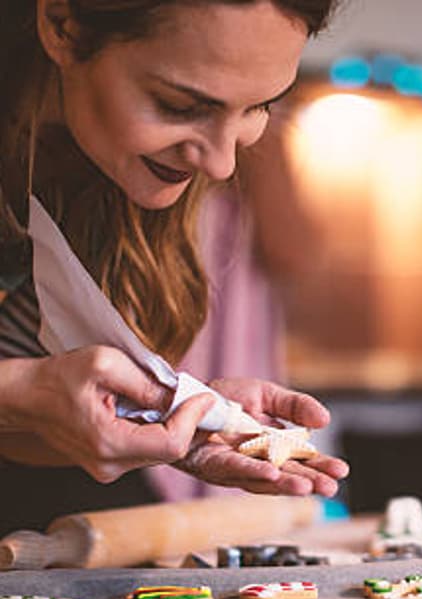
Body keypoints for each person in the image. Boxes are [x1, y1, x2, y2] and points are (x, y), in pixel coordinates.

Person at [0, 0, 348, 530]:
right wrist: (24, 391)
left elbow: (24, 432)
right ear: (62, 25)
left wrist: (178, 426)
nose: (222, 164)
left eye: (259, 107)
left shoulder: (115, 174)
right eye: (179, 106)